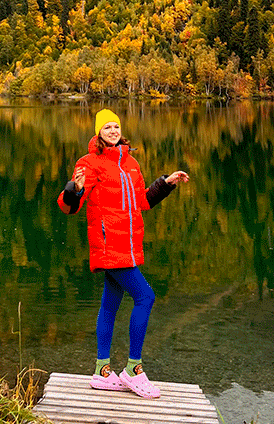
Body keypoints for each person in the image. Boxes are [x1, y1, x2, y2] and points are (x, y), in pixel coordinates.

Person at [57, 108, 190, 399]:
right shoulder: (89, 163)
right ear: (98, 133)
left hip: (128, 245)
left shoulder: (130, 163)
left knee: (110, 304)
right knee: (145, 297)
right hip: (109, 245)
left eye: (116, 126)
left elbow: (142, 201)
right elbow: (69, 207)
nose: (113, 131)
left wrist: (166, 183)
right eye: (107, 127)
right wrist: (74, 189)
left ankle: (102, 371)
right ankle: (133, 369)